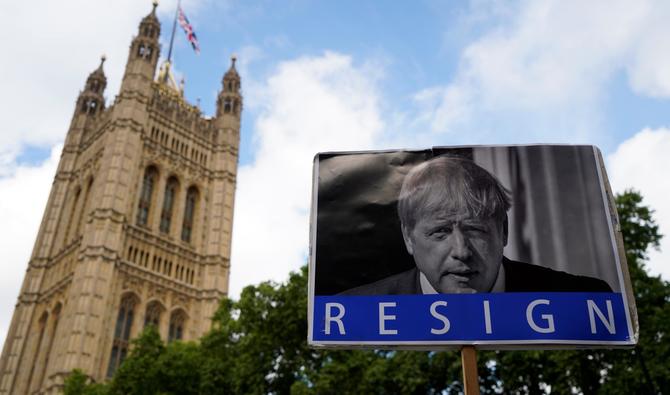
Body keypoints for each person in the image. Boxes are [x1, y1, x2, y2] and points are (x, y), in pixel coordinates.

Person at [341, 155, 612, 295]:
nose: (462, 251)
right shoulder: (353, 311)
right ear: (408, 238)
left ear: (503, 231)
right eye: (440, 232)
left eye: (475, 229)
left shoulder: (585, 298)